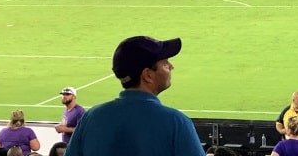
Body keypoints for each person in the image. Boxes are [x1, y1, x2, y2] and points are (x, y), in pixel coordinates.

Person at [63, 35, 204, 156]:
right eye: (165, 63)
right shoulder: (176, 122)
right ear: (148, 75)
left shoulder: (91, 118)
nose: (171, 66)